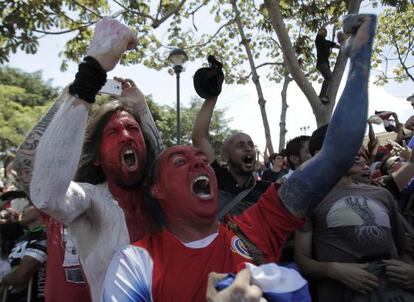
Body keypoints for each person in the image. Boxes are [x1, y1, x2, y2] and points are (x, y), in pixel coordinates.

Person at [102, 14, 378, 301]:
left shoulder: (259, 224)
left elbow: (338, 153)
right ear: (156, 190)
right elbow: (200, 137)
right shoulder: (134, 263)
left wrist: (359, 60)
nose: (198, 162)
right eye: (181, 161)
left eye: (200, 159)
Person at [16, 17, 163, 302]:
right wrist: (82, 85)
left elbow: (160, 159)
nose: (126, 136)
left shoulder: (160, 199)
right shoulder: (87, 201)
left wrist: (142, 110)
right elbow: (39, 184)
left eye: (132, 129)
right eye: (113, 131)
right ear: (95, 158)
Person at [295, 128, 414, 301]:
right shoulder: (309, 200)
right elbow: (302, 260)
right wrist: (333, 270)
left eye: (356, 146)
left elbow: (404, 249)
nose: (357, 152)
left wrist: (411, 271)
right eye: (347, 145)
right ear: (322, 153)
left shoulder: (381, 194)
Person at [192, 59, 271, 218]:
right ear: (225, 157)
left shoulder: (267, 191)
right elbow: (199, 136)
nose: (249, 148)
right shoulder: (215, 179)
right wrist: (213, 95)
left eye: (250, 144)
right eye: (240, 145)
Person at [2, 203, 47, 302]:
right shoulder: (23, 237)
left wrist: (5, 279)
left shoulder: (45, 236)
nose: (23, 209)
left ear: (41, 211)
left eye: (30, 206)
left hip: (33, 296)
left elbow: (20, 277)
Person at [315, 27, 343, 103]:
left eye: (325, 31)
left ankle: (324, 98)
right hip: (321, 63)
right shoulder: (318, 40)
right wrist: (321, 29)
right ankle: (322, 96)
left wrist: (343, 46)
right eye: (323, 31)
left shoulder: (327, 42)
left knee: (330, 78)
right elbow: (319, 32)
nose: (325, 32)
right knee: (328, 78)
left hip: (325, 64)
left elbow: (336, 46)